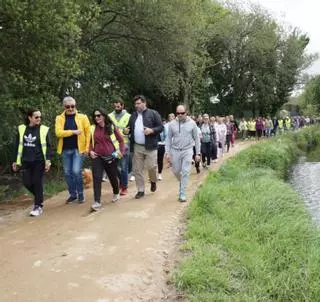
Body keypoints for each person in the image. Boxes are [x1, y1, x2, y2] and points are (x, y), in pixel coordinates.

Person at [12, 109, 52, 216]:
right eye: (36, 117)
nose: (39, 119)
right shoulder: (21, 129)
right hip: (25, 160)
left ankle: (37, 206)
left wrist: (48, 160)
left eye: (40, 117)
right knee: (26, 183)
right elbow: (17, 146)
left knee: (36, 181)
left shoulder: (44, 129)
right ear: (30, 118)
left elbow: (48, 146)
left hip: (39, 161)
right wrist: (15, 161)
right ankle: (39, 196)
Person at [125, 95, 163, 199]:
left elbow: (161, 127)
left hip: (151, 146)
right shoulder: (133, 116)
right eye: (135, 104)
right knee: (137, 169)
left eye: (138, 103)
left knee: (151, 167)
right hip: (137, 146)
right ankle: (140, 190)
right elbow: (128, 128)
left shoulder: (153, 113)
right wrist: (126, 130)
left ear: (144, 103)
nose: (136, 106)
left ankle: (153, 181)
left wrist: (151, 130)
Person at [55, 96, 90, 204]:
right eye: (68, 106)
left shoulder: (83, 117)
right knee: (67, 173)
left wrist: (87, 148)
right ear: (64, 106)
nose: (70, 108)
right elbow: (58, 133)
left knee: (75, 171)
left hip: (78, 149)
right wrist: (73, 132)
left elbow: (88, 133)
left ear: (75, 105)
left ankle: (80, 194)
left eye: (72, 106)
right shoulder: (59, 118)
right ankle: (72, 194)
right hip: (65, 149)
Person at [89, 108, 125, 210]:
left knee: (112, 176)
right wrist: (90, 151)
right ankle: (97, 201)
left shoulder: (112, 127)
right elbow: (89, 142)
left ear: (104, 116)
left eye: (99, 115)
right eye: (95, 116)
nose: (96, 118)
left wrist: (120, 153)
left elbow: (121, 141)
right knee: (97, 178)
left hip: (111, 157)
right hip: (97, 156)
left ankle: (116, 192)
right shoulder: (92, 128)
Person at [166, 105, 200, 202]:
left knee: (185, 171)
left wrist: (198, 153)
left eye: (182, 113)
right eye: (178, 113)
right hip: (175, 150)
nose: (180, 115)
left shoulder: (192, 123)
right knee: (176, 171)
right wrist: (167, 152)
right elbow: (168, 138)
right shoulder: (172, 124)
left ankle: (182, 193)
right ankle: (183, 182)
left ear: (186, 113)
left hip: (188, 150)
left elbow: (197, 139)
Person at [108, 97, 131, 196]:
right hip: (112, 143)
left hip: (124, 143)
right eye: (115, 106)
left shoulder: (129, 116)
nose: (117, 108)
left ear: (122, 105)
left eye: (118, 106)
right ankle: (121, 181)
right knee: (113, 166)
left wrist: (128, 132)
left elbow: (131, 130)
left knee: (123, 166)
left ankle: (124, 187)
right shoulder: (109, 116)